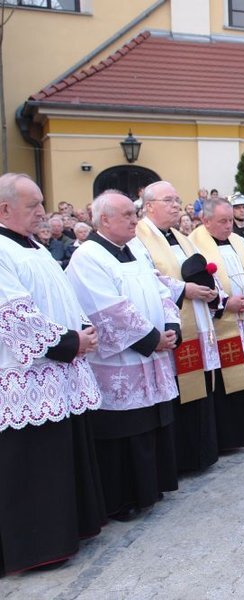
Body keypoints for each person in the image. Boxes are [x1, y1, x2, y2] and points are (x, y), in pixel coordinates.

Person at [0, 174, 106, 576]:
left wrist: (84, 331)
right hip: (27, 377)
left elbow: (59, 295)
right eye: (33, 205)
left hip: (58, 370)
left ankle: (69, 530)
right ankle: (36, 546)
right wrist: (69, 343)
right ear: (5, 208)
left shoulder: (34, 246)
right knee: (33, 464)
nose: (43, 212)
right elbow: (13, 315)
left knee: (61, 456)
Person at [66, 191, 181, 522]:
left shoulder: (134, 248)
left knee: (151, 424)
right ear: (104, 220)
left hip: (151, 352)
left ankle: (152, 487)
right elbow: (107, 309)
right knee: (124, 431)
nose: (135, 219)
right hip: (120, 361)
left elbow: (160, 288)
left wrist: (170, 326)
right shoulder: (88, 257)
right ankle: (123, 498)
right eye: (128, 215)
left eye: (135, 213)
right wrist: (151, 339)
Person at [130, 181, 222, 472]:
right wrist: (184, 290)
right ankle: (183, 457)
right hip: (175, 322)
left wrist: (212, 289)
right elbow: (149, 278)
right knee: (180, 391)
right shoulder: (139, 238)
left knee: (200, 388)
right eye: (168, 200)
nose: (175, 205)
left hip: (198, 315)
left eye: (176, 199)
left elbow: (203, 267)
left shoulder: (180, 237)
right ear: (149, 206)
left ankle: (202, 452)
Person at [190, 197, 244, 451]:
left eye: (230, 220)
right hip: (220, 324)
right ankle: (230, 435)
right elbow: (200, 284)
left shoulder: (239, 241)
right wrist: (224, 302)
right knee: (226, 378)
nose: (228, 226)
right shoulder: (194, 246)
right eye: (222, 221)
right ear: (205, 220)